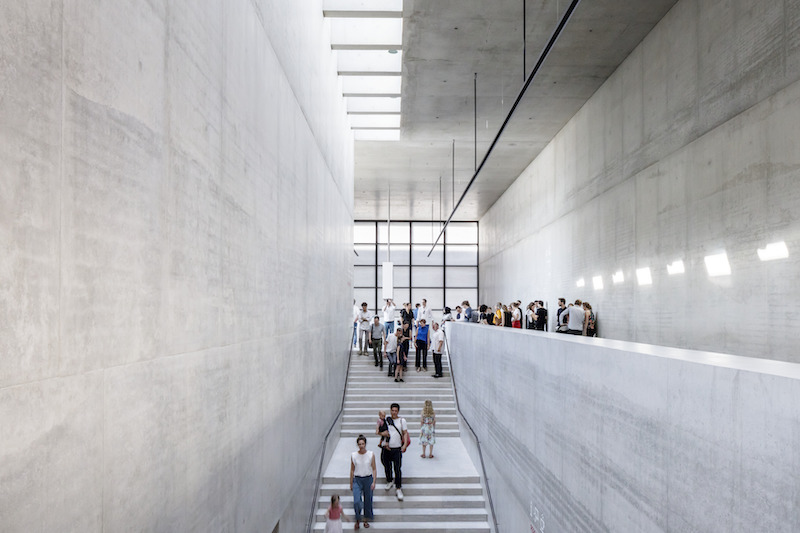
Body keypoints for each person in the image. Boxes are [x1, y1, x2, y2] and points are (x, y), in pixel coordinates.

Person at [377, 403, 408, 501]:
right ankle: (389, 480)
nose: (394, 412)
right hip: (386, 448)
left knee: (397, 468)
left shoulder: (402, 421)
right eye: (392, 410)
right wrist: (382, 433)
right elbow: (378, 431)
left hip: (397, 448)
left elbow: (405, 433)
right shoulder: (386, 420)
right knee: (386, 465)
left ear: (398, 411)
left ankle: (398, 488)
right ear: (390, 411)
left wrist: (404, 445)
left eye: (396, 411)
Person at [349, 434, 377, 529]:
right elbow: (352, 470)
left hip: (368, 478)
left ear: (365, 444)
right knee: (357, 501)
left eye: (363, 443)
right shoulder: (354, 455)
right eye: (360, 444)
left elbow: (374, 468)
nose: (361, 445)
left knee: (368, 500)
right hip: (357, 479)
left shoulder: (370, 454)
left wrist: (374, 481)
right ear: (357, 445)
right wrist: (351, 483)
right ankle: (357, 518)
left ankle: (365, 519)